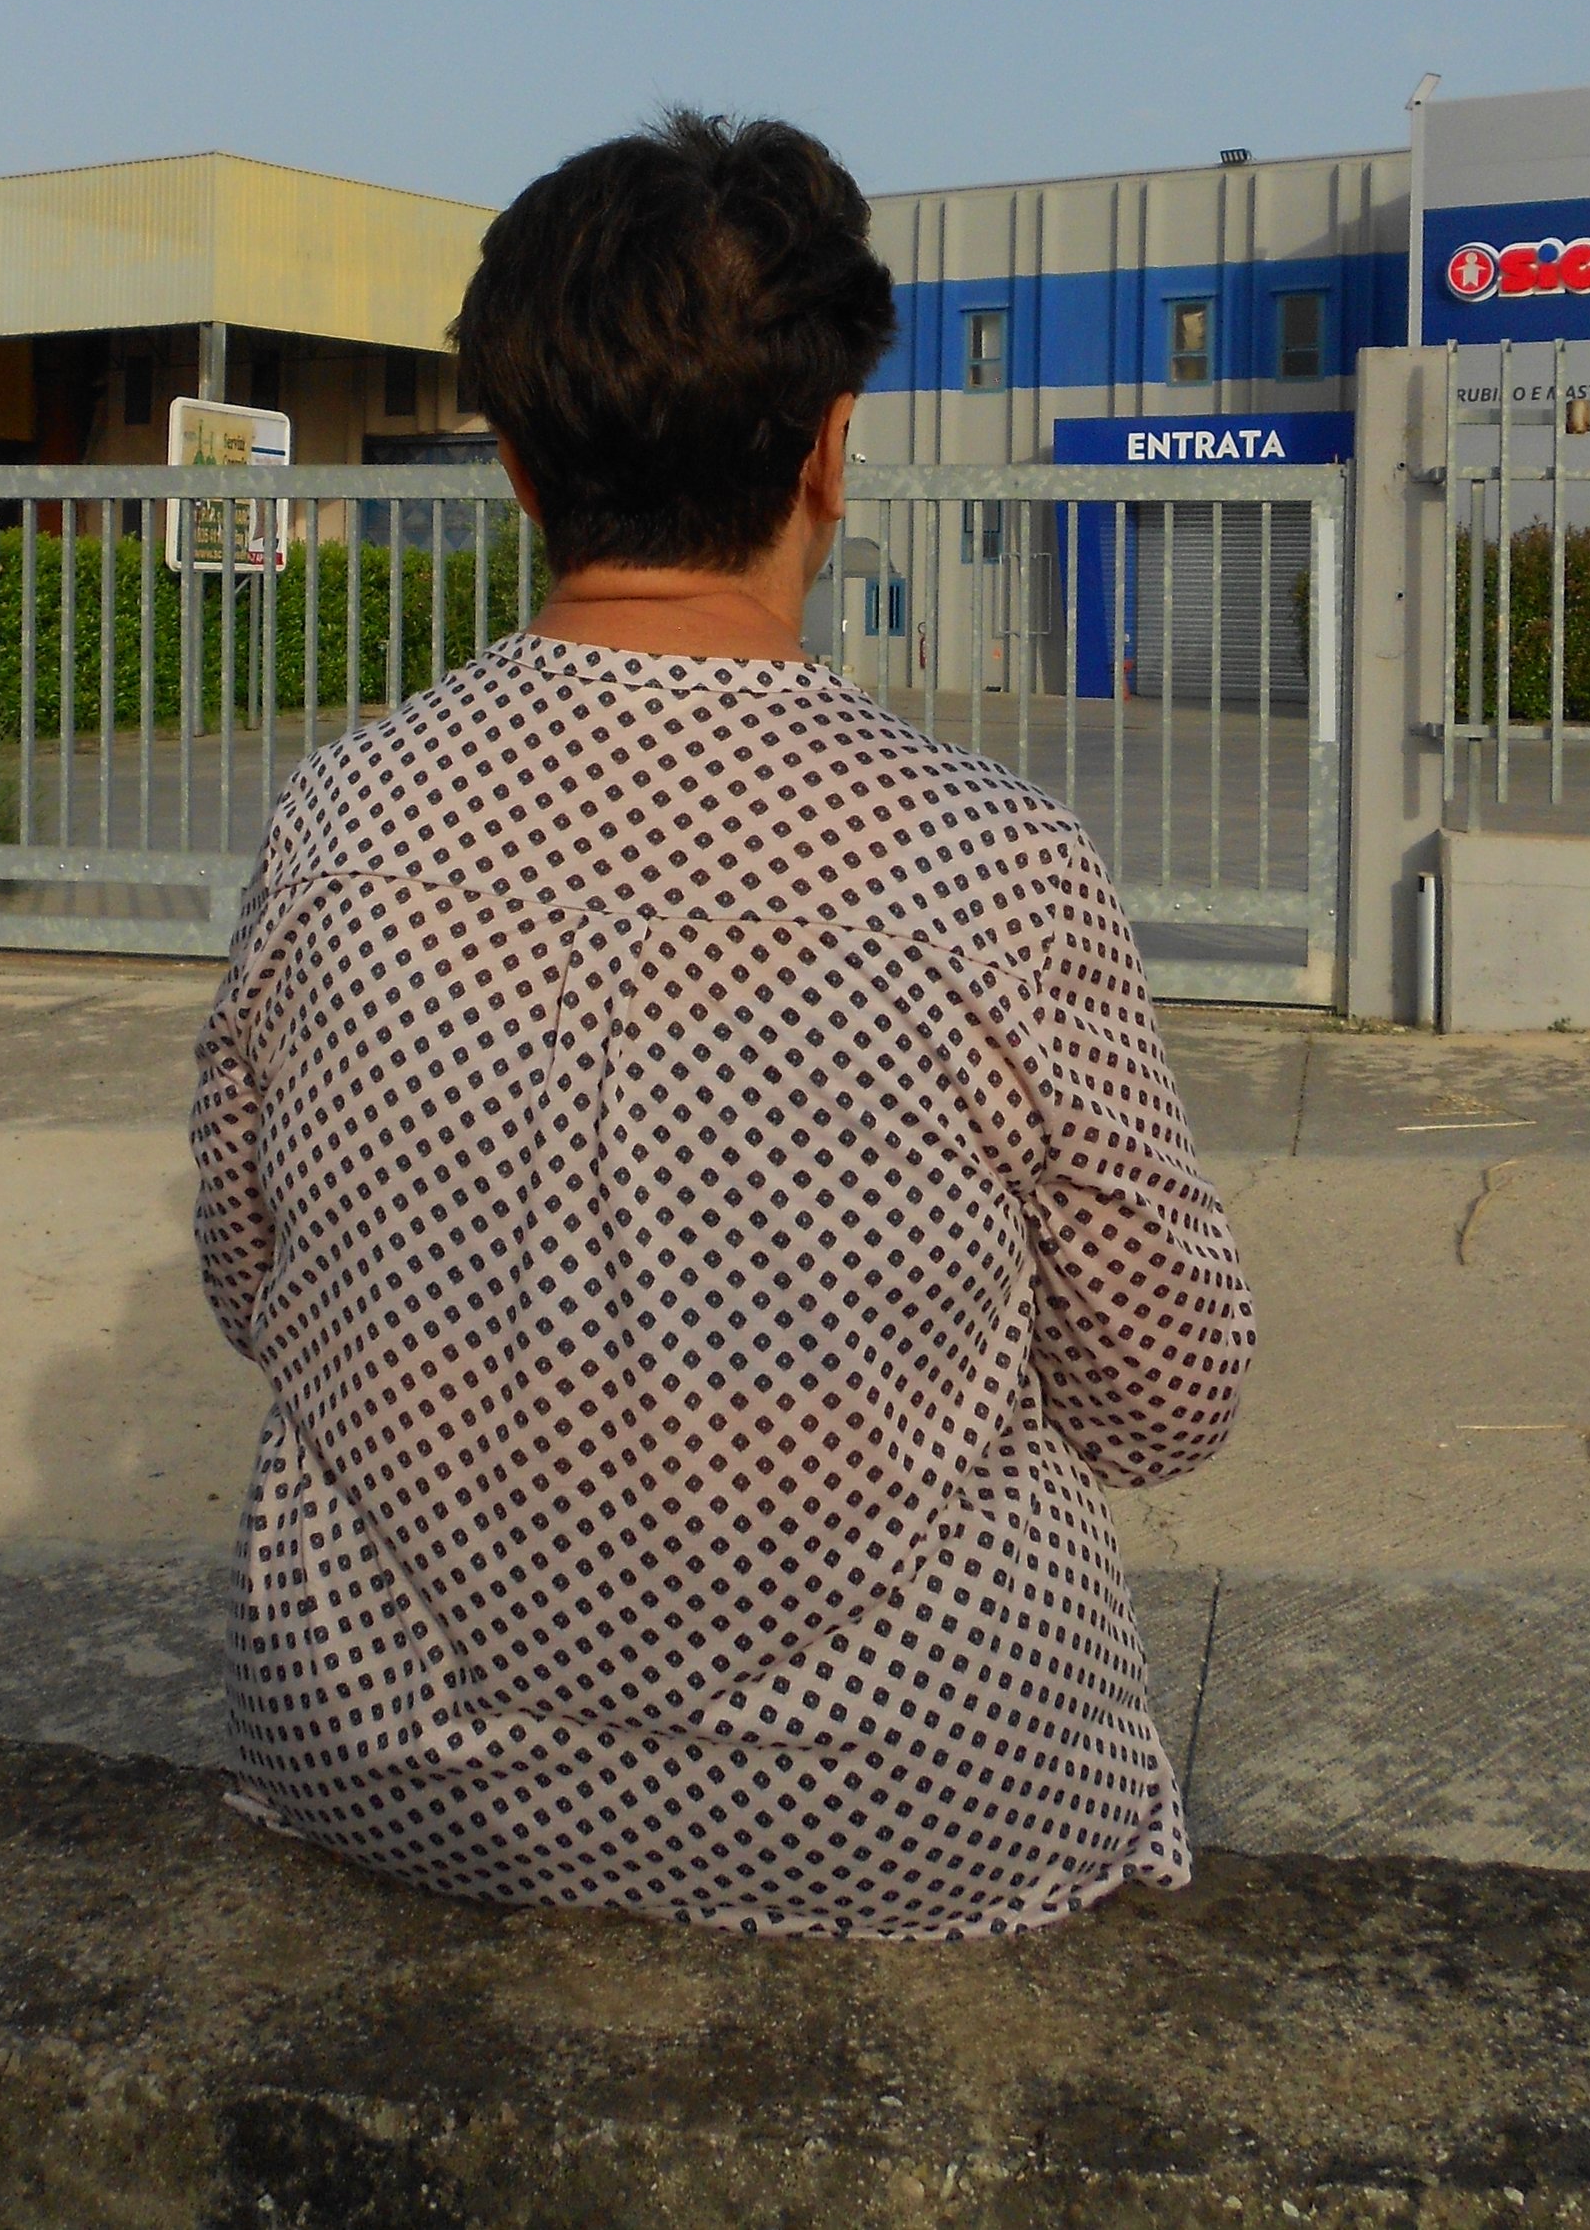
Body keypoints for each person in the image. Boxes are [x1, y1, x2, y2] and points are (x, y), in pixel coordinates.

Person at [190, 111, 1253, 1940]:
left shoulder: (339, 820)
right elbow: (1162, 1396)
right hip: (919, 1801)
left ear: (517, 464)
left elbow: (247, 1274)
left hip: (377, 1760)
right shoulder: (989, 864)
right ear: (831, 447)